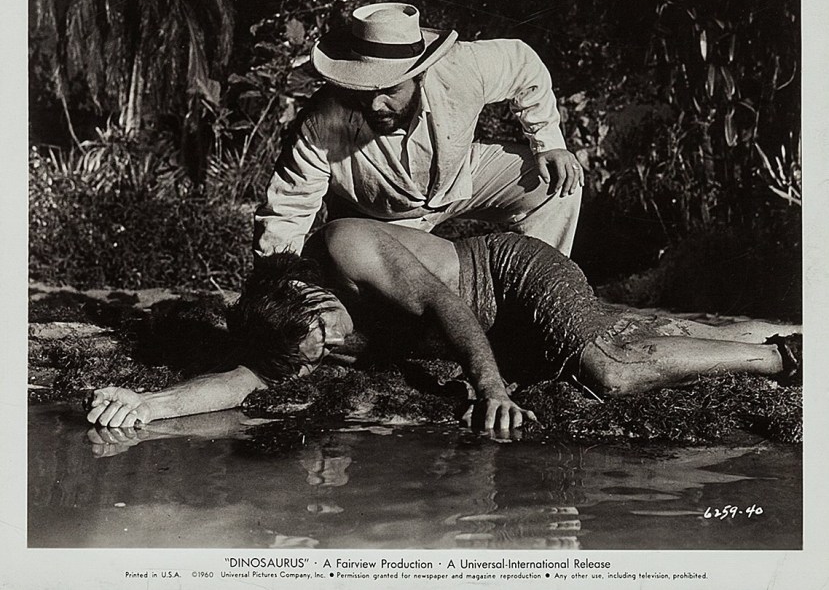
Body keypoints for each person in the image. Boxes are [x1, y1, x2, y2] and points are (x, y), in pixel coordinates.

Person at [87, 219, 801, 432]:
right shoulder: (290, 326)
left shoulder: (346, 247)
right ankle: (753, 337)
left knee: (608, 372)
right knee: (632, 335)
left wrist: (489, 387)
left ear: (309, 290)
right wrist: (149, 404)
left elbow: (445, 305)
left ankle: (782, 359)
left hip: (506, 275)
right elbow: (242, 381)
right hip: (491, 326)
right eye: (318, 353)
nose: (334, 347)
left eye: (327, 329)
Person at [253, 2, 583, 258]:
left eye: (390, 90)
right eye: (364, 90)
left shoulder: (460, 67)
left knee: (557, 183)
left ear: (420, 75)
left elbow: (523, 64)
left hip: (459, 181)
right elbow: (288, 210)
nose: (375, 104)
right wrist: (277, 282)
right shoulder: (321, 123)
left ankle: (544, 291)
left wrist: (549, 141)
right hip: (380, 221)